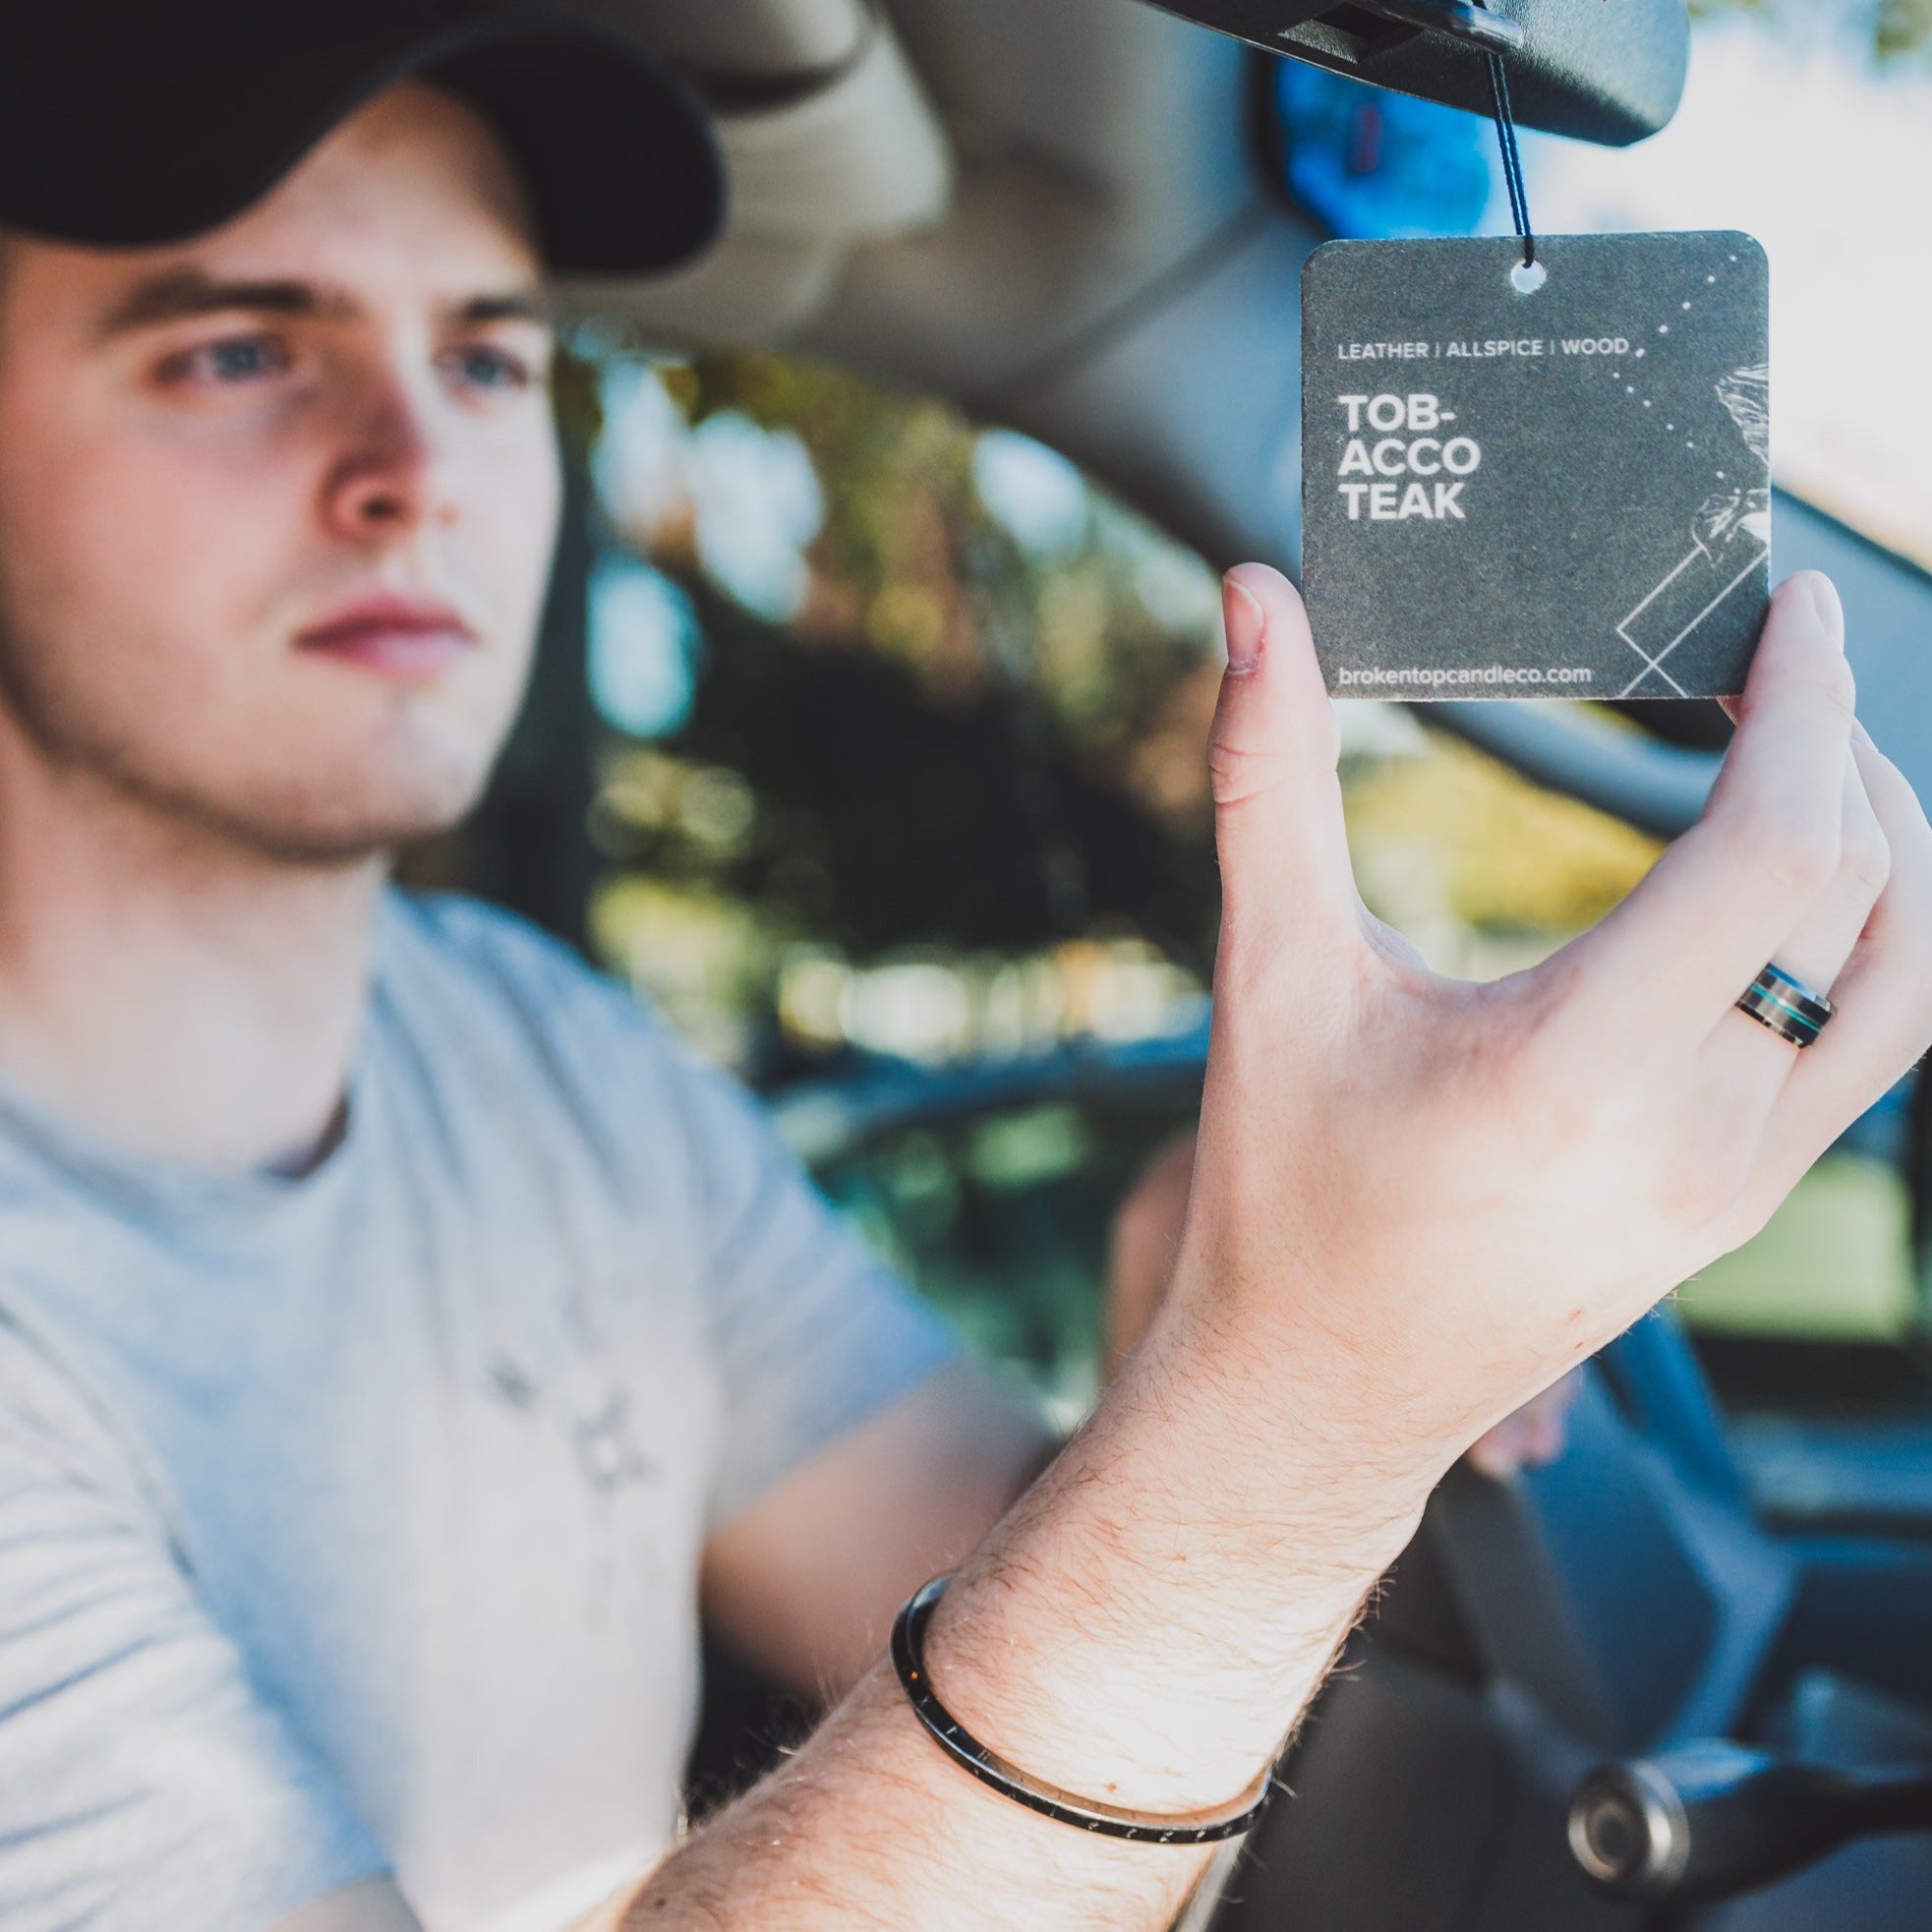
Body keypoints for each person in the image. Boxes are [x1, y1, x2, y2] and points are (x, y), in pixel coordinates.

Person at [0, 8, 1923, 1932]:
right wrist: (1298, 1409)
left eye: (490, 353)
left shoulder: (538, 1057)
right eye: (236, 346)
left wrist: (1223, 1316)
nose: (415, 464)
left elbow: (1018, 1622)